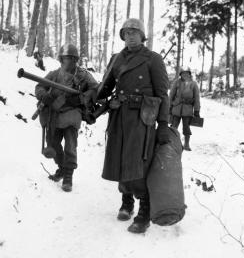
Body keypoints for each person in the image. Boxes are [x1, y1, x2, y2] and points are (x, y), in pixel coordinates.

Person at [97, 18, 170, 234]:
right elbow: (104, 88)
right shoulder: (116, 59)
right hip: (119, 115)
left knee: (138, 162)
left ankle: (144, 212)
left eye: (134, 32)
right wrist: (96, 97)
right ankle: (126, 202)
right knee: (120, 158)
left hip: (142, 117)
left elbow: (162, 95)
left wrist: (164, 124)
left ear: (142, 36)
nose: (130, 36)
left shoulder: (153, 59)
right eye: (126, 33)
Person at [35, 44, 98, 192]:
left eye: (71, 58)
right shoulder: (54, 74)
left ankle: (68, 176)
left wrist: (82, 98)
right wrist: (45, 97)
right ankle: (62, 168)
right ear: (60, 59)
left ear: (76, 60)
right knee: (53, 144)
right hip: (54, 115)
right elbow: (39, 86)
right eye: (65, 58)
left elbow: (96, 88)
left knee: (70, 146)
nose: (68, 61)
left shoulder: (83, 75)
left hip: (72, 113)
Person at [169, 68, 200, 151]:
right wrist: (169, 107)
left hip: (188, 109)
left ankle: (186, 144)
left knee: (186, 127)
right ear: (180, 74)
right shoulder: (177, 83)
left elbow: (197, 98)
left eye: (187, 73)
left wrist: (196, 111)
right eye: (183, 73)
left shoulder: (193, 84)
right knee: (173, 127)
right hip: (176, 108)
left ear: (190, 74)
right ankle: (172, 143)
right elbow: (171, 95)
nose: (185, 75)